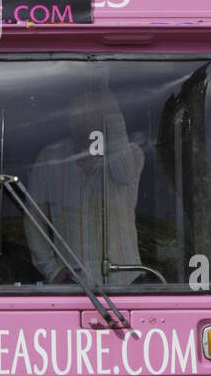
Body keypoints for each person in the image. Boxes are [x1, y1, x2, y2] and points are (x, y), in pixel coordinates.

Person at [26, 86, 144, 285]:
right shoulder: (51, 158)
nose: (83, 121)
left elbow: (123, 175)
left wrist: (113, 116)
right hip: (72, 284)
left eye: (92, 113)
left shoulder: (131, 154)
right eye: (77, 115)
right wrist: (51, 269)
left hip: (125, 281)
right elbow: (33, 218)